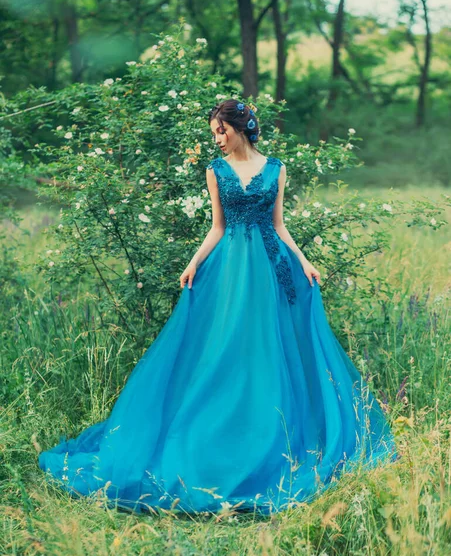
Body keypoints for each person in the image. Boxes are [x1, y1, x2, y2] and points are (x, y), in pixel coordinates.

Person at [39, 98, 397, 516]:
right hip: (228, 271)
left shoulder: (277, 169)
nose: (217, 139)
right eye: (214, 133)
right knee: (222, 349)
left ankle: (271, 434)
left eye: (220, 131)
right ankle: (215, 431)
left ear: (238, 127)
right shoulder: (215, 170)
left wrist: (304, 261)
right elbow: (217, 227)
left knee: (267, 351)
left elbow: (279, 226)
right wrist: (193, 263)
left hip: (268, 268)